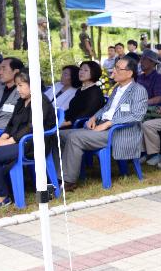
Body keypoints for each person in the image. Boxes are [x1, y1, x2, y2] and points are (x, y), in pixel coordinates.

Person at [58, 58, 148, 191]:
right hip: (102, 127)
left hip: (117, 132)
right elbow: (106, 108)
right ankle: (58, 176)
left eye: (118, 68)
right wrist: (94, 117)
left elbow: (137, 115)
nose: (114, 70)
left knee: (74, 137)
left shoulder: (138, 90)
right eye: (115, 67)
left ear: (129, 73)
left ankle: (68, 181)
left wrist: (108, 124)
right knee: (59, 135)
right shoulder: (117, 89)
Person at [0, 71, 56, 208]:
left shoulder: (40, 101)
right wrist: (3, 137)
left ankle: (3, 196)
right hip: (18, 141)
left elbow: (32, 127)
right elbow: (11, 123)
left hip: (32, 144)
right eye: (17, 86)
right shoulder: (21, 101)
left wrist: (9, 141)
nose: (18, 89)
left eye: (21, 85)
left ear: (33, 85)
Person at [60, 61, 105, 129]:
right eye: (80, 69)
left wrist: (64, 124)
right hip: (68, 122)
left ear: (94, 73)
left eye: (86, 70)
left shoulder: (95, 92)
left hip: (80, 125)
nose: (81, 72)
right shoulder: (80, 90)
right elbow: (71, 110)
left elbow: (87, 114)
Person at [0, 57, 23, 136]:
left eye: (4, 69)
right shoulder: (0, 89)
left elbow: (15, 120)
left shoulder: (22, 92)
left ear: (16, 72)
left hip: (2, 133)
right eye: (0, 69)